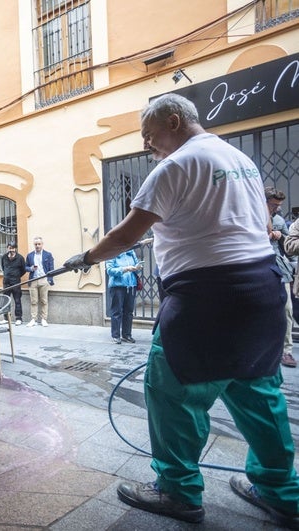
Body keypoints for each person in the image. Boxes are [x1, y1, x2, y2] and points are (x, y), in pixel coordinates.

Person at [64, 93, 299, 527]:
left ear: (173, 121)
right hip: (262, 290)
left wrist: (89, 258)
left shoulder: (173, 165)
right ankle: (280, 488)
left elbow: (124, 234)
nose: (147, 144)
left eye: (149, 135)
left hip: (206, 298)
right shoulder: (238, 159)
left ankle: (178, 491)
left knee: (172, 391)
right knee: (257, 390)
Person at [265, 186, 297, 368]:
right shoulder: (252, 218)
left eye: (279, 205)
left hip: (279, 268)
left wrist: (279, 236)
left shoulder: (278, 220)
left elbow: (289, 244)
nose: (276, 208)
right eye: (273, 204)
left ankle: (287, 351)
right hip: (259, 267)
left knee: (287, 309)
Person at [106, 250, 142, 344]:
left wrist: (137, 268)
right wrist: (125, 269)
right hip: (117, 286)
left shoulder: (131, 252)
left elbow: (136, 269)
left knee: (129, 311)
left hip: (131, 285)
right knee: (117, 311)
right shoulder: (112, 251)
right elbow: (109, 270)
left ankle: (127, 335)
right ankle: (116, 335)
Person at [25, 237, 54, 327]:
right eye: (36, 244)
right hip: (33, 280)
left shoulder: (48, 255)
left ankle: (43, 319)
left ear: (42, 244)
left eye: (39, 244)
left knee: (44, 301)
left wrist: (49, 279)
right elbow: (25, 267)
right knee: (33, 301)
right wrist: (31, 268)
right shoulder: (30, 255)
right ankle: (33, 319)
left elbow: (51, 268)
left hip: (43, 279)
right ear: (34, 245)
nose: (37, 246)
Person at [0, 241, 27, 325]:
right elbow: (3, 268)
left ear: (15, 248)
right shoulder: (4, 257)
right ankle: (6, 318)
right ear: (7, 248)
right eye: (9, 248)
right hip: (6, 282)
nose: (11, 250)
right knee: (6, 301)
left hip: (16, 283)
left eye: (13, 248)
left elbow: (24, 270)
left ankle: (19, 318)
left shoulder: (20, 258)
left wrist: (17, 276)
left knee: (17, 300)